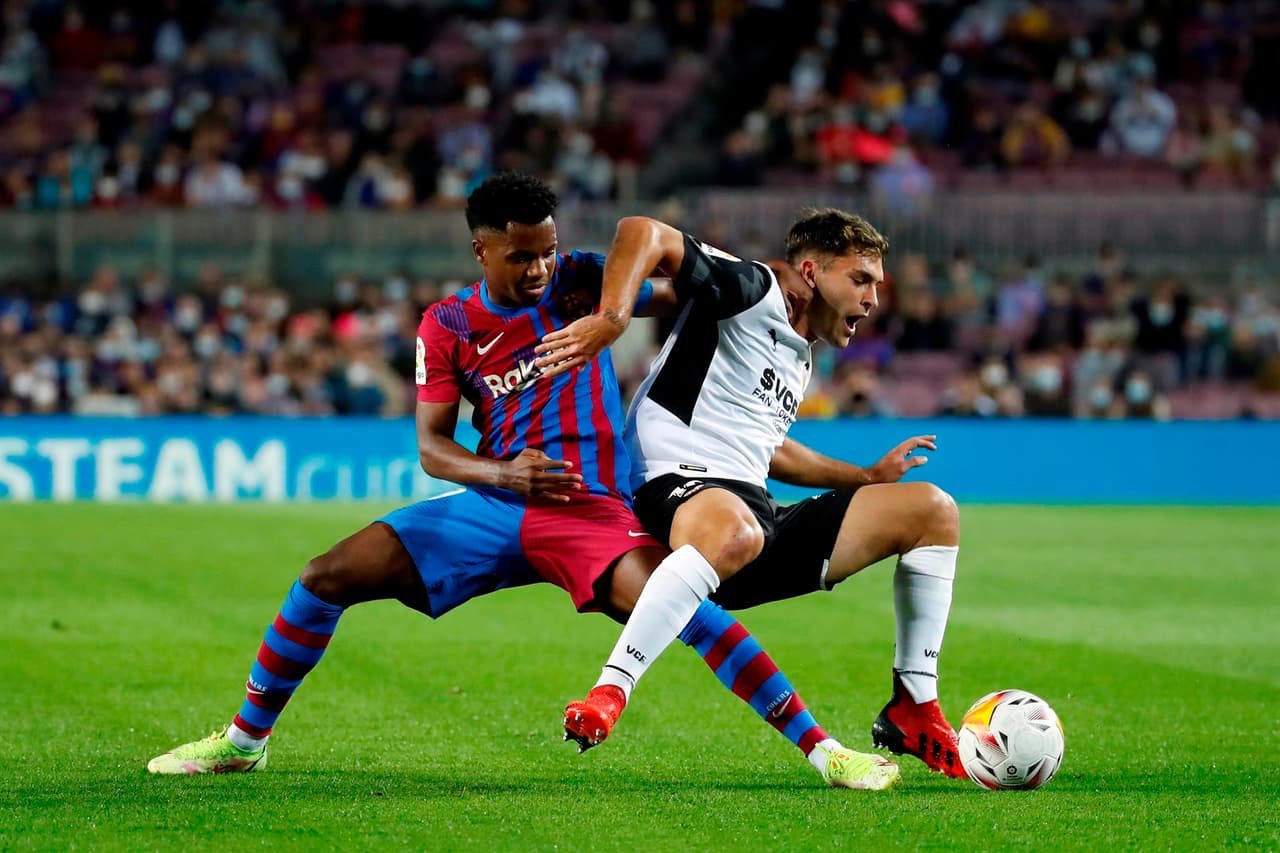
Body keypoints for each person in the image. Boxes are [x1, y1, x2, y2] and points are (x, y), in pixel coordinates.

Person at [147, 173, 898, 791]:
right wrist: (501, 470)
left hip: (590, 509)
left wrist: (619, 311)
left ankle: (823, 750)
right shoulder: (446, 325)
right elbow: (433, 449)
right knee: (324, 575)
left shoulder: (579, 282)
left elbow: (677, 277)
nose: (539, 269)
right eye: (520, 256)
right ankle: (245, 739)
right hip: (494, 502)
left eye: (547, 251)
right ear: (481, 250)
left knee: (686, 604)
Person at [541, 209, 966, 778]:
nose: (872, 300)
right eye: (860, 280)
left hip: (747, 520)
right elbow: (641, 230)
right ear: (811, 272)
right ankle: (611, 691)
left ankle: (914, 705)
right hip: (674, 486)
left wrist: (863, 477)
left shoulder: (799, 351)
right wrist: (614, 318)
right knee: (736, 528)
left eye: (877, 286)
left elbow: (772, 449)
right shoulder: (755, 289)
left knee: (932, 511)